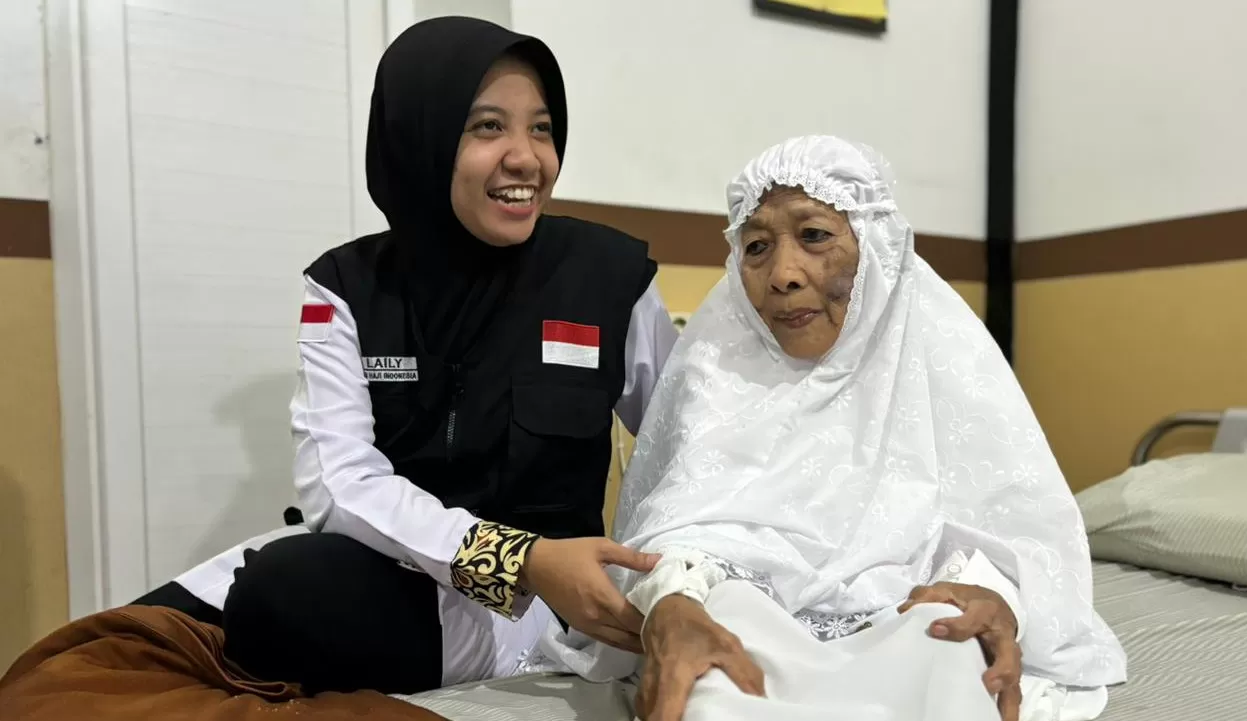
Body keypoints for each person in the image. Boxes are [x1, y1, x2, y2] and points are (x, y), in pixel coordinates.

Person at [132, 16, 680, 695]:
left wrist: (654, 576)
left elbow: (685, 443)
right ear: (418, 138)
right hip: (396, 576)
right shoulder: (344, 289)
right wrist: (514, 558)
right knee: (191, 616)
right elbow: (340, 484)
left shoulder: (608, 277)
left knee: (280, 598)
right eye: (487, 127)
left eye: (541, 127)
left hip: (544, 614)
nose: (526, 158)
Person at [535, 136, 1128, 721]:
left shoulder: (943, 359)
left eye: (815, 235)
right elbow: (679, 528)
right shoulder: (719, 370)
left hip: (909, 615)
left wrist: (992, 594)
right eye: (757, 246)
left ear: (877, 249)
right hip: (749, 618)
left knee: (946, 639)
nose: (783, 274)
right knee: (715, 642)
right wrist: (674, 599)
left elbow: (1014, 528)